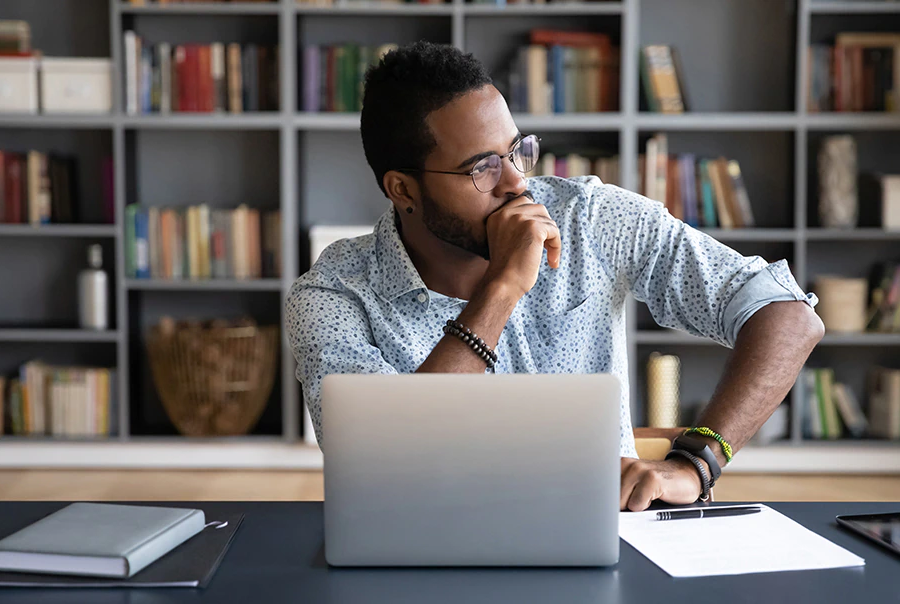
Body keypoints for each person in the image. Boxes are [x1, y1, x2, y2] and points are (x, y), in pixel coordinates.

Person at [285, 41, 824, 512]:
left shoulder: (589, 217)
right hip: (430, 550)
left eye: (517, 151)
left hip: (606, 532)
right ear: (402, 189)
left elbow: (789, 315)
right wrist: (502, 288)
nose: (518, 183)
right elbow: (379, 467)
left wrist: (698, 460)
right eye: (481, 168)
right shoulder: (333, 296)